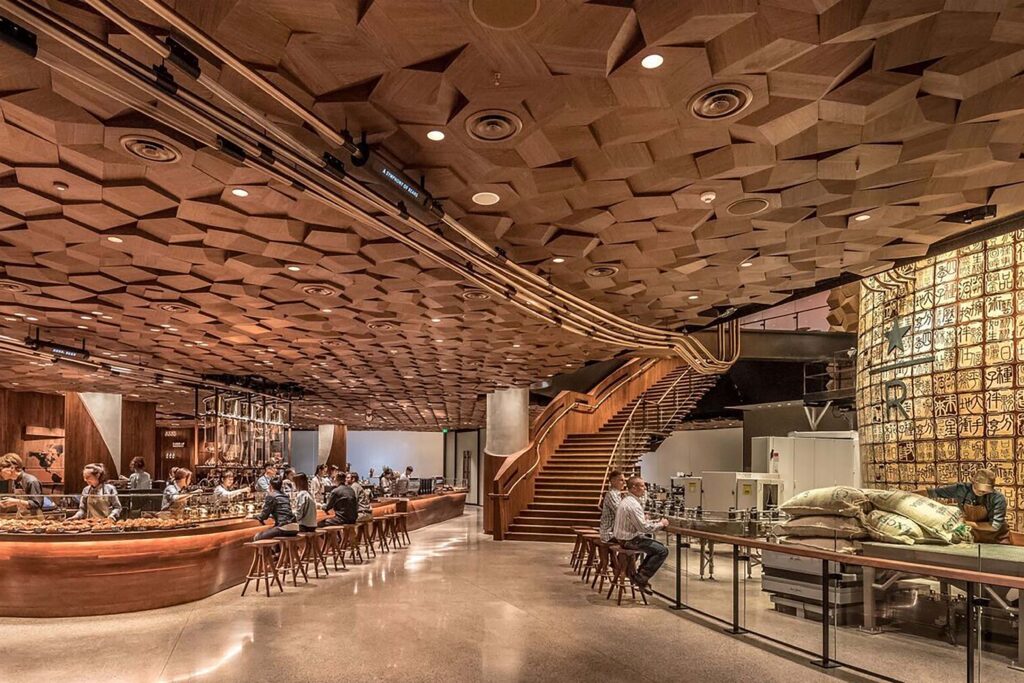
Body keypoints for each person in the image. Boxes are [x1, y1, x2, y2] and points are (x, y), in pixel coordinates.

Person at [612, 475, 669, 593]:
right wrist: (661, 524)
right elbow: (644, 527)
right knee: (662, 550)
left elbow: (638, 523)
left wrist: (651, 521)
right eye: (642, 486)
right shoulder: (633, 504)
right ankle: (640, 578)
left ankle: (636, 575)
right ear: (634, 488)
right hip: (629, 540)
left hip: (623, 538)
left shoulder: (628, 500)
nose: (645, 488)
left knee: (653, 544)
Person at [921, 468, 1008, 543]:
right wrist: (908, 495)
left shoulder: (998, 499)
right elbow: (932, 493)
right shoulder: (961, 489)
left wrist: (965, 523)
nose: (981, 492)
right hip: (973, 537)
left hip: (996, 539)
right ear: (973, 482)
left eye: (985, 491)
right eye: (979, 489)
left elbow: (994, 526)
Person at [252, 477, 299, 545]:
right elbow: (282, 512)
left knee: (257, 537)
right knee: (275, 534)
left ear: (270, 486)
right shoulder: (285, 496)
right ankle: (277, 554)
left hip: (284, 527)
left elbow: (263, 516)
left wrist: (253, 516)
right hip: (295, 527)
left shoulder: (271, 496)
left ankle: (268, 556)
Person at [599, 470, 626, 543]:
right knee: (639, 542)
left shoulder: (619, 495)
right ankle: (623, 554)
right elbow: (620, 512)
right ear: (613, 481)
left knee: (641, 538)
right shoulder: (611, 494)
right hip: (609, 533)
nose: (624, 483)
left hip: (616, 532)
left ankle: (624, 554)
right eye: (621, 480)